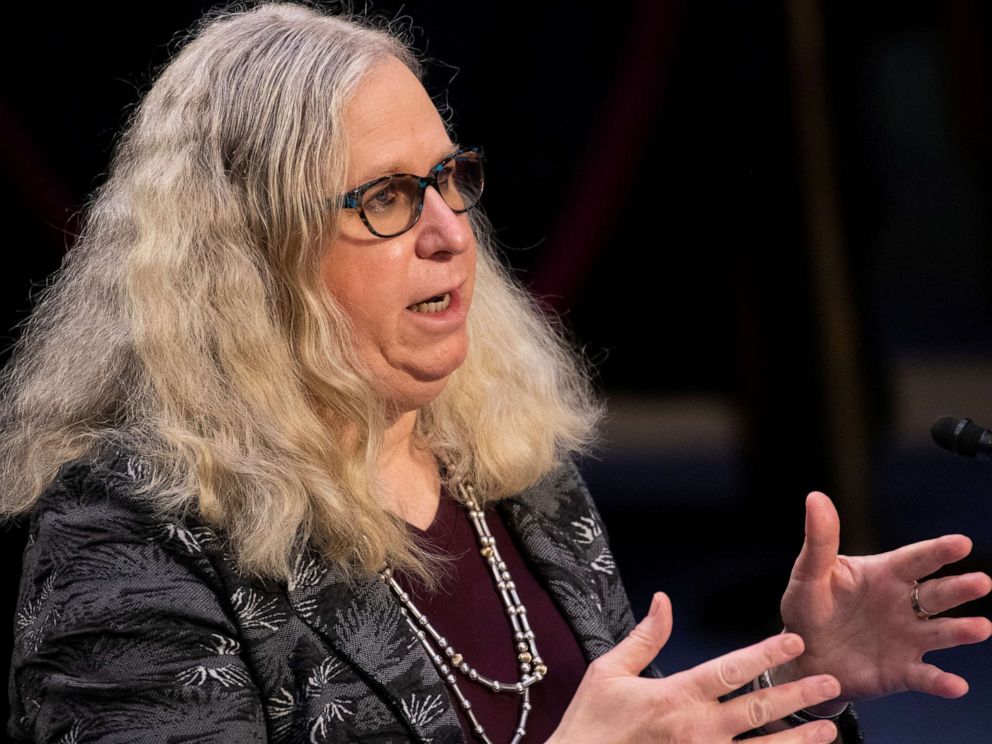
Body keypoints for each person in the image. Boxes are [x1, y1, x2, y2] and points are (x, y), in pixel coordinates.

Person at [2, 4, 989, 743]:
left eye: (447, 180)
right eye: (386, 197)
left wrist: (791, 684)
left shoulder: (507, 472)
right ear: (249, 257)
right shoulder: (126, 530)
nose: (447, 233)